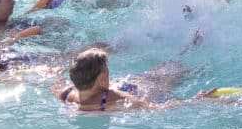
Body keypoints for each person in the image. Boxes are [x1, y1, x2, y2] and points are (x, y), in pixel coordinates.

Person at [54, 47, 183, 112]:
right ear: (102, 78)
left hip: (129, 84)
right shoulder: (112, 96)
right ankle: (186, 49)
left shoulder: (66, 94)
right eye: (107, 70)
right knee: (174, 72)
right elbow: (151, 107)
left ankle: (185, 50)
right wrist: (190, 101)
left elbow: (55, 86)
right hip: (145, 87)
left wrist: (57, 74)